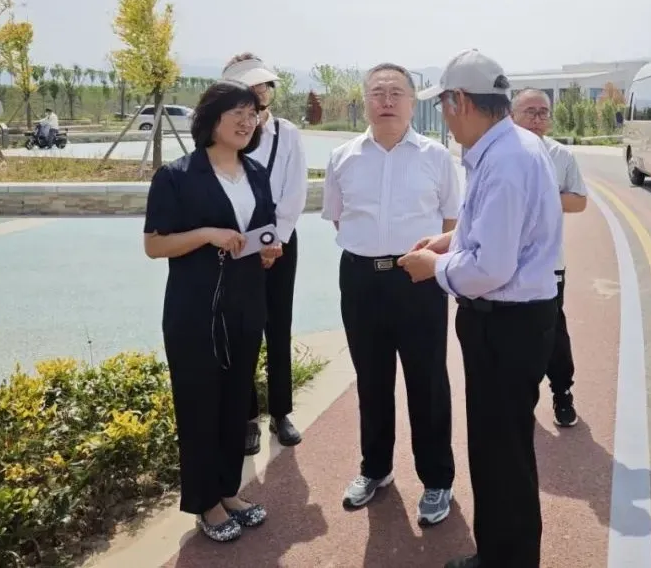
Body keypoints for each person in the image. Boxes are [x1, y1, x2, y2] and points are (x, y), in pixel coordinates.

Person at [399, 49, 563, 568]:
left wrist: (433, 267)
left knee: (501, 454)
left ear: (461, 101)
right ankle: (500, 554)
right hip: (511, 322)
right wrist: (450, 240)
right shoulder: (510, 148)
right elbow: (496, 231)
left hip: (505, 324)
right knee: (500, 451)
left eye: (444, 106)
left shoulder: (506, 160)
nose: (444, 118)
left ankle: (506, 560)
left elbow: (491, 266)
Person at [143, 81, 283, 543]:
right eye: (236, 113)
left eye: (252, 114)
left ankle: (228, 490)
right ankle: (205, 502)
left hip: (246, 305)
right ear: (211, 119)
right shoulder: (177, 176)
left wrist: (267, 250)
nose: (247, 122)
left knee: (234, 402)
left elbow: (259, 230)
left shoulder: (256, 173)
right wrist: (207, 234)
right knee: (200, 404)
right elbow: (154, 245)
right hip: (195, 311)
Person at [321, 62, 461, 526]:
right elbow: (339, 218)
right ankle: (375, 469)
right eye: (377, 92)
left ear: (412, 102)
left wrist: (423, 258)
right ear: (364, 101)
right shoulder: (343, 157)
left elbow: (451, 221)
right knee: (371, 378)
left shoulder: (436, 157)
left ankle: (437, 479)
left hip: (417, 280)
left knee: (428, 381)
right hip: (360, 280)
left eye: (396, 92)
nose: (386, 100)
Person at [222, 53, 308, 452]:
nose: (259, 90)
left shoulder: (287, 133)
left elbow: (295, 190)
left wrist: (277, 240)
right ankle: (247, 417)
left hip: (280, 240)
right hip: (236, 243)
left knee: (278, 325)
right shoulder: (225, 132)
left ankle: (281, 412)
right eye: (250, 84)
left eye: (264, 84)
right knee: (242, 330)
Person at [512, 88, 588, 428]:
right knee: (510, 335)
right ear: (512, 115)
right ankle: (519, 398)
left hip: (548, 263)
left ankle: (562, 392)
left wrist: (541, 198)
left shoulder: (561, 155)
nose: (537, 118)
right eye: (530, 111)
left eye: (543, 112)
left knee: (552, 332)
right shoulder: (498, 153)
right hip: (505, 263)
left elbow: (579, 201)